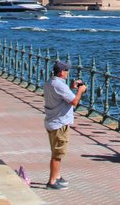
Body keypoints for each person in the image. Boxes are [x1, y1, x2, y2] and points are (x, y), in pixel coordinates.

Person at [44, 60, 86, 190]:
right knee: (58, 154)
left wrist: (72, 87)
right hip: (59, 123)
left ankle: (57, 176)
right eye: (67, 70)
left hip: (52, 121)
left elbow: (59, 94)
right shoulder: (60, 86)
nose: (68, 73)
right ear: (62, 72)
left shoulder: (50, 82)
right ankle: (52, 181)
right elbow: (74, 101)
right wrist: (81, 91)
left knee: (56, 151)